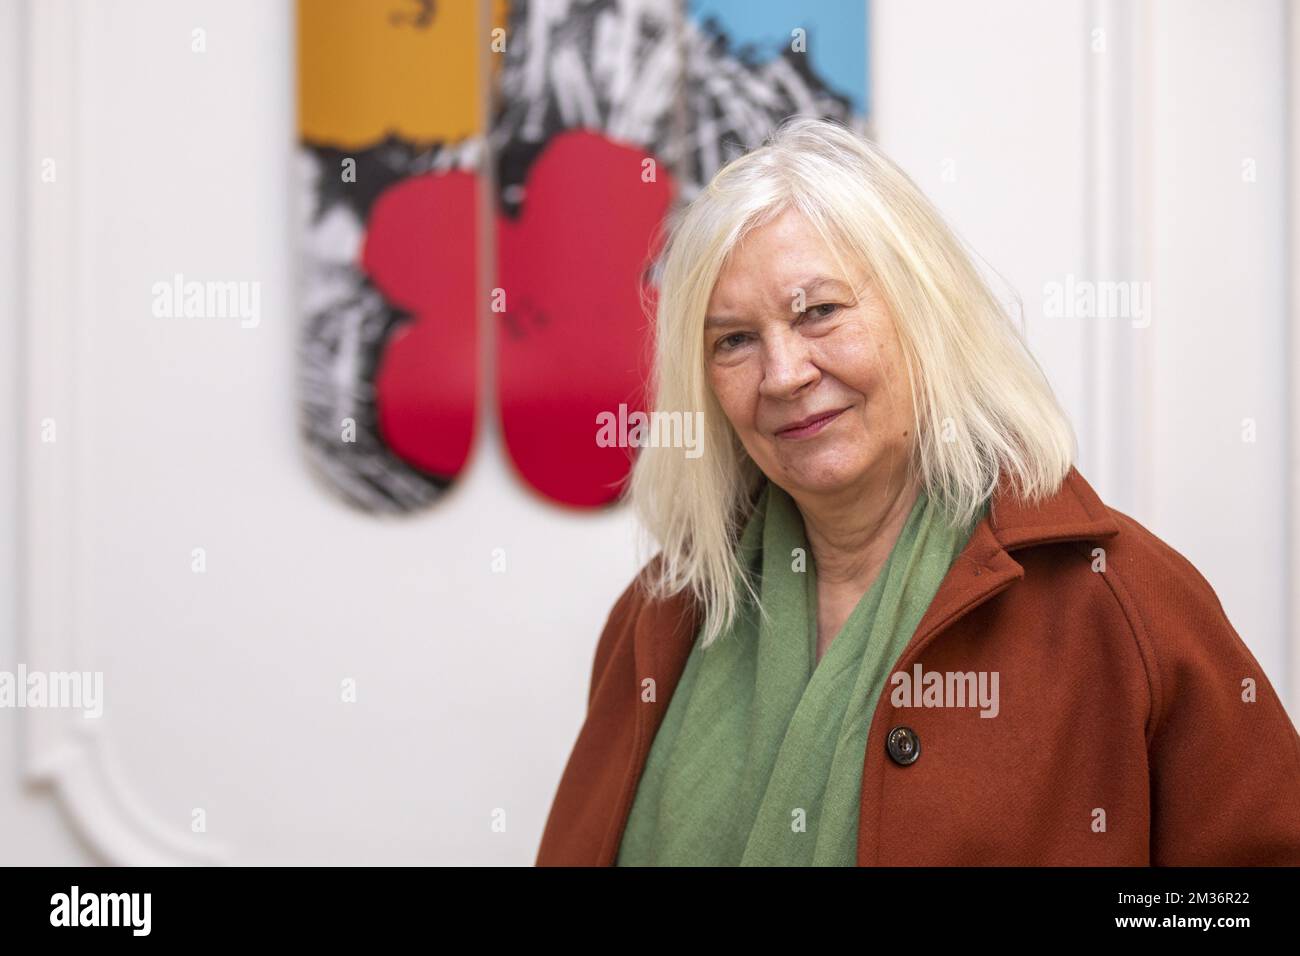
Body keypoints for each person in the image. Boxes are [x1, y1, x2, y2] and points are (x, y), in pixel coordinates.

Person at [536, 116, 1300, 866]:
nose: (784, 374)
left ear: (924, 316)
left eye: (821, 313)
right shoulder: (663, 613)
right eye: (734, 339)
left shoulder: (1119, 601)